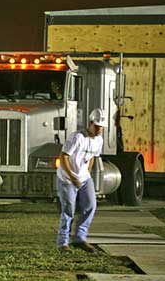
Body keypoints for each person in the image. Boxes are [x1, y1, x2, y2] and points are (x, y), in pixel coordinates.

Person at [56, 108, 106, 253]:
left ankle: (79, 238)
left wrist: (86, 174)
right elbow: (63, 156)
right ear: (90, 123)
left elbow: (92, 158)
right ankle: (62, 243)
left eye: (101, 127)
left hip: (84, 178)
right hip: (66, 179)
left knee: (90, 205)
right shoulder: (77, 137)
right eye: (97, 126)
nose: (99, 129)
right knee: (68, 210)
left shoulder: (99, 140)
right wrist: (72, 176)